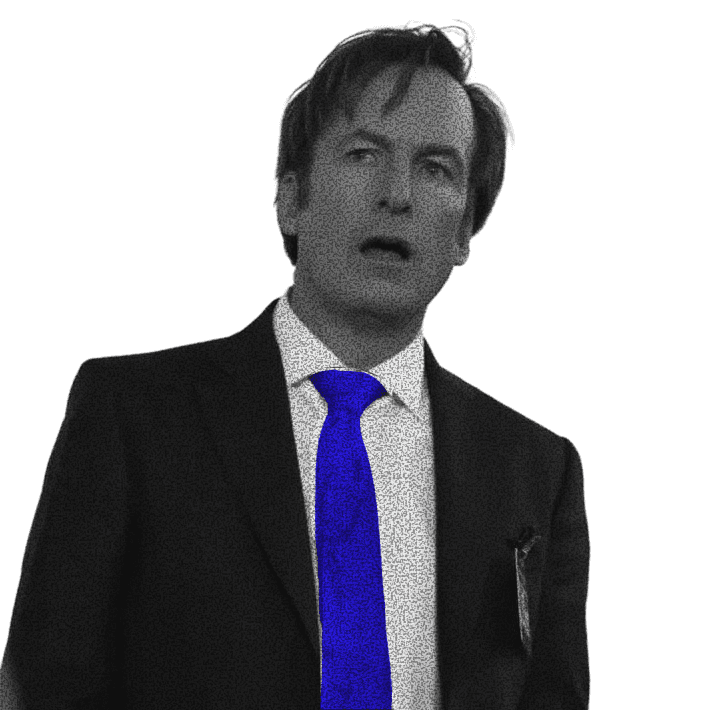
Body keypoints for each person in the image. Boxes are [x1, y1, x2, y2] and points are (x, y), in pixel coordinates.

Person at [0, 20, 590, 709]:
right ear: (289, 197)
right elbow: (45, 685)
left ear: (464, 233)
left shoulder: (535, 469)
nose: (398, 194)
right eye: (364, 154)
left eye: (436, 168)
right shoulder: (134, 414)